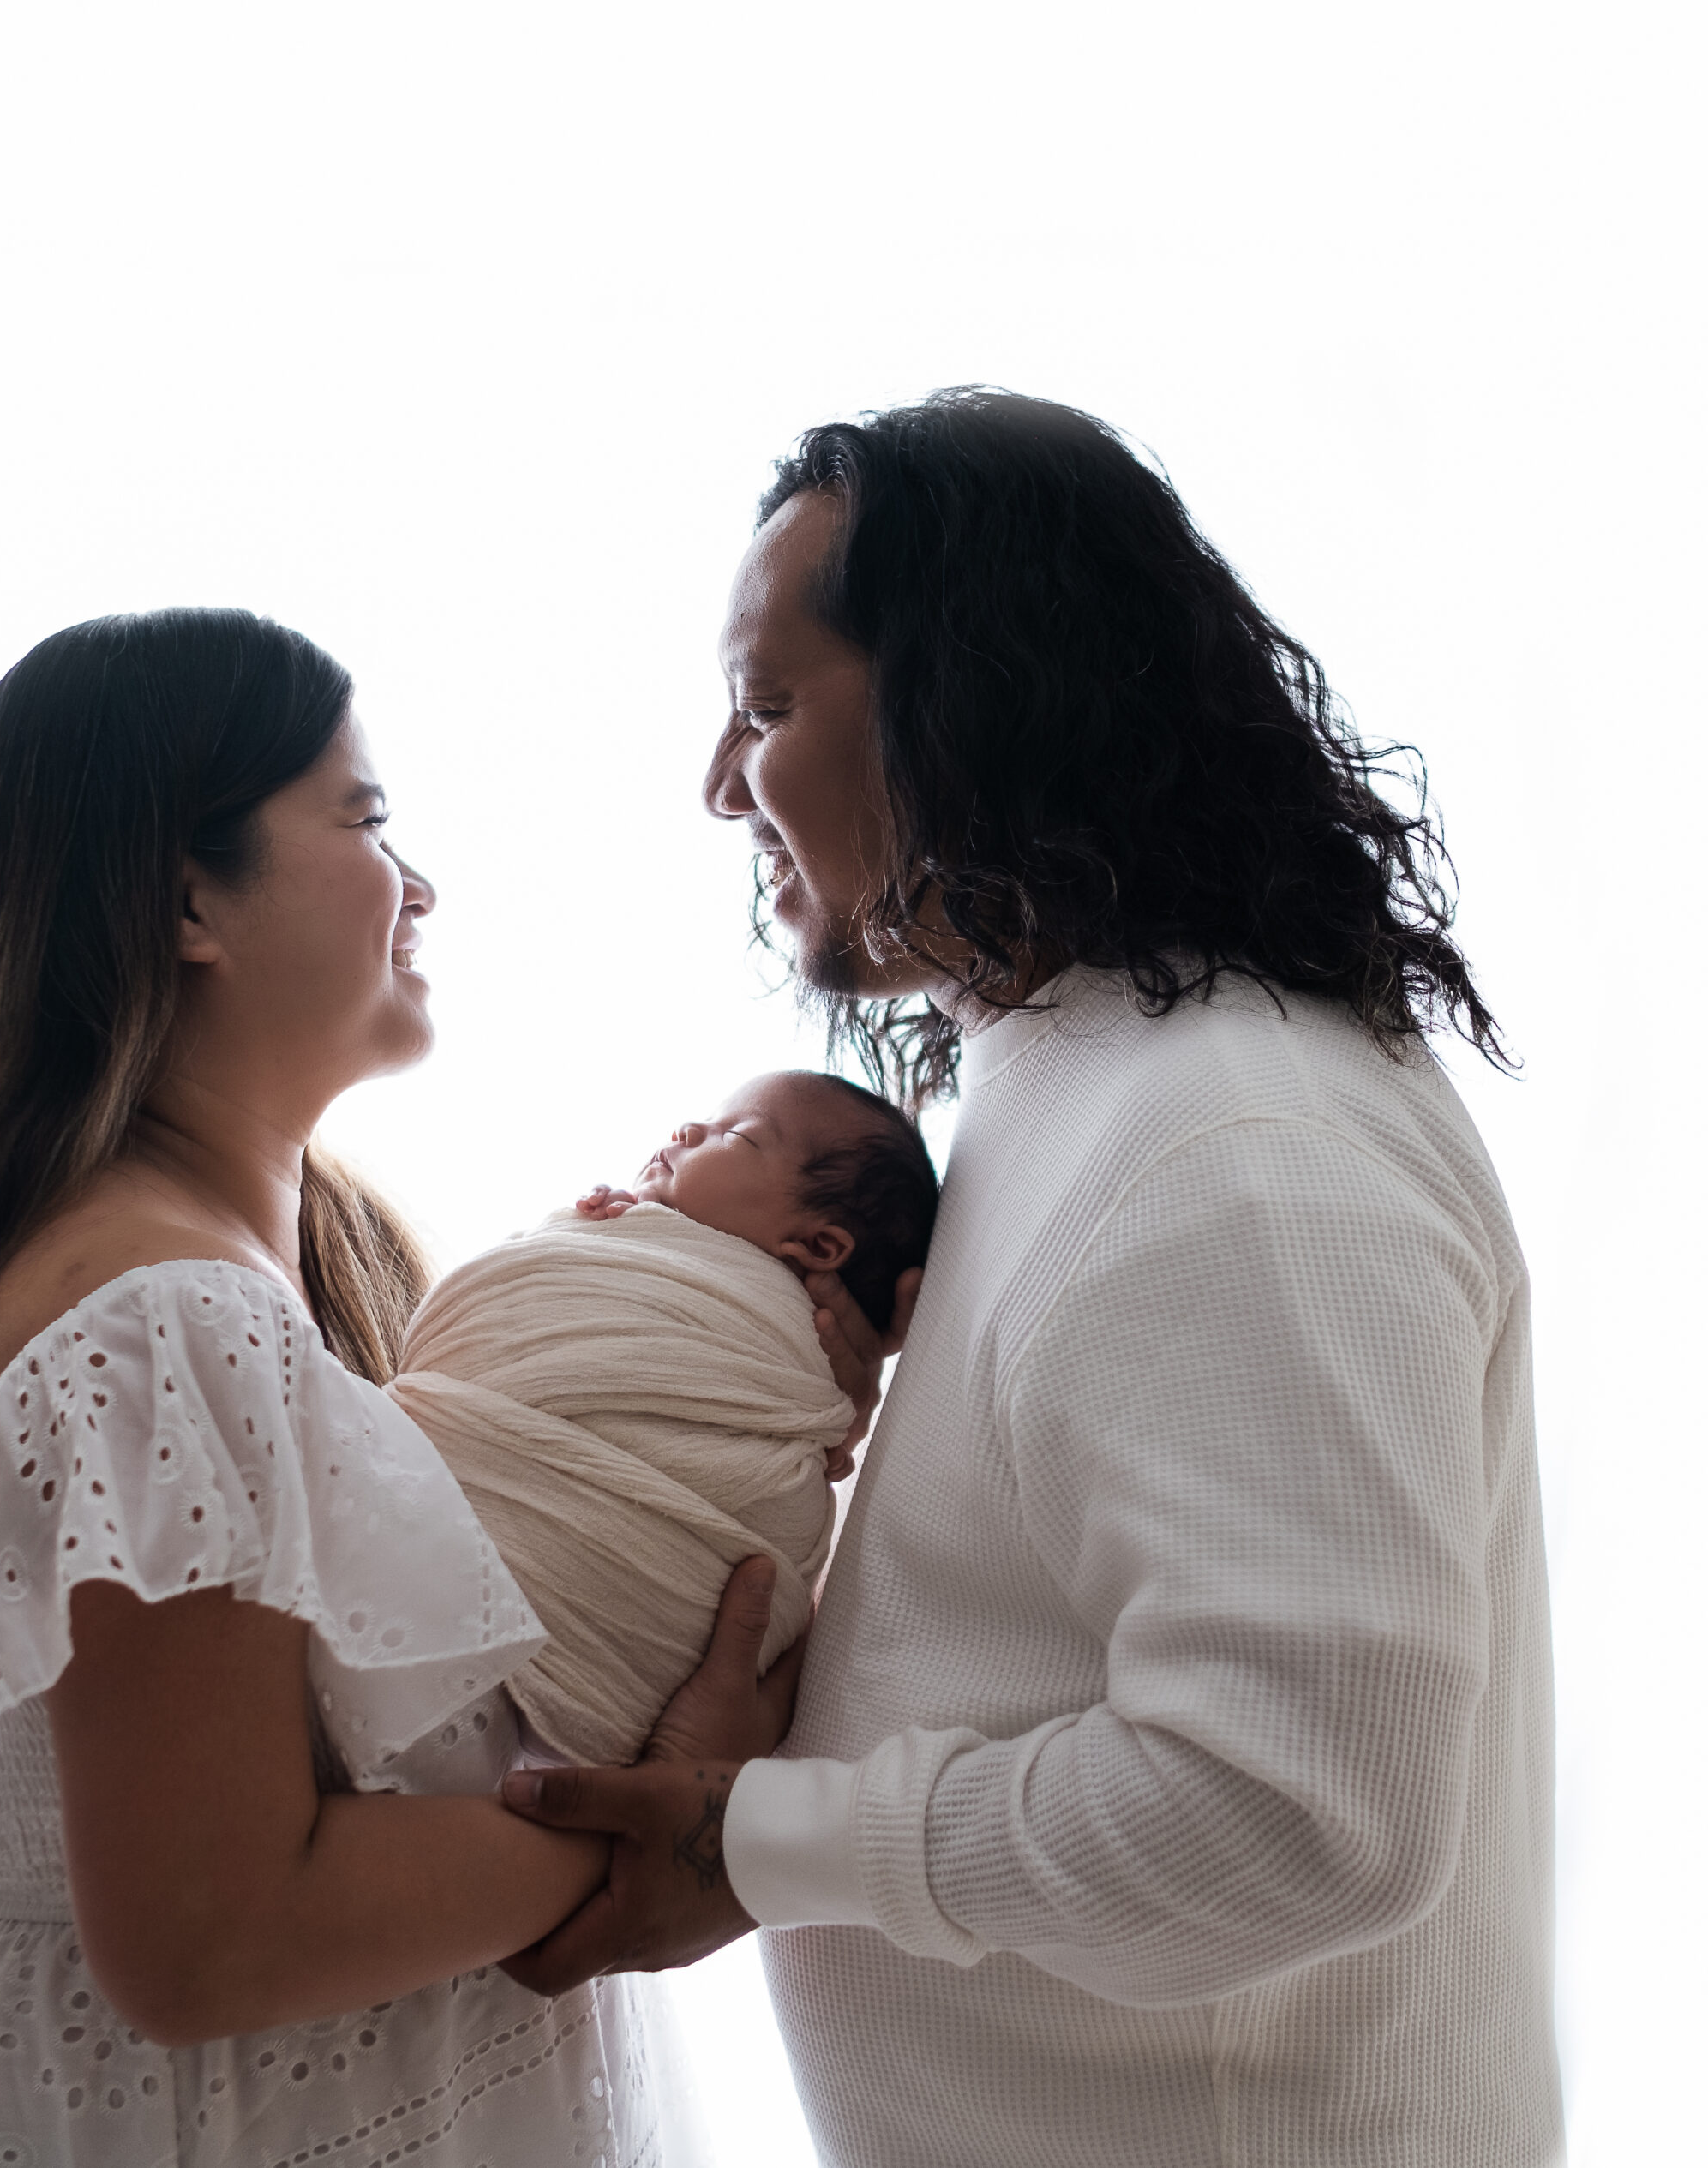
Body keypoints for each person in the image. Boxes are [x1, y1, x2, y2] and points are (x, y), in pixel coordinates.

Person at [500, 390, 1563, 2166]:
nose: (716, 780)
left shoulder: (1231, 1138)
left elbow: (1300, 1812)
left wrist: (760, 1837)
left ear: (968, 693)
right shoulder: (1066, 1060)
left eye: (765, 705)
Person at [0, 608, 809, 2167]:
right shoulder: (157, 1318)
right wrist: (675, 1828)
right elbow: (209, 1936)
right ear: (189, 896)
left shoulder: (257, 1279)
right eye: (363, 816)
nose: (418, 883)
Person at [389, 1070, 938, 1766]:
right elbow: (505, 1323)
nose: (685, 1131)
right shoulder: (636, 1248)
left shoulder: (783, 1341)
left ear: (820, 1248)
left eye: (735, 1135)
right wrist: (584, 1239)